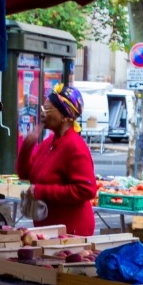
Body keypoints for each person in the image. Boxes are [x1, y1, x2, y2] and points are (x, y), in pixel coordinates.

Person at [17, 84, 97, 236]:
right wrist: (27, 146)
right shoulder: (48, 143)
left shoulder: (75, 146)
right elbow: (24, 173)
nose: (43, 113)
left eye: (48, 110)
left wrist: (42, 191)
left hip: (71, 232)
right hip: (49, 231)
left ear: (65, 117)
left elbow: (86, 190)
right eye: (43, 108)